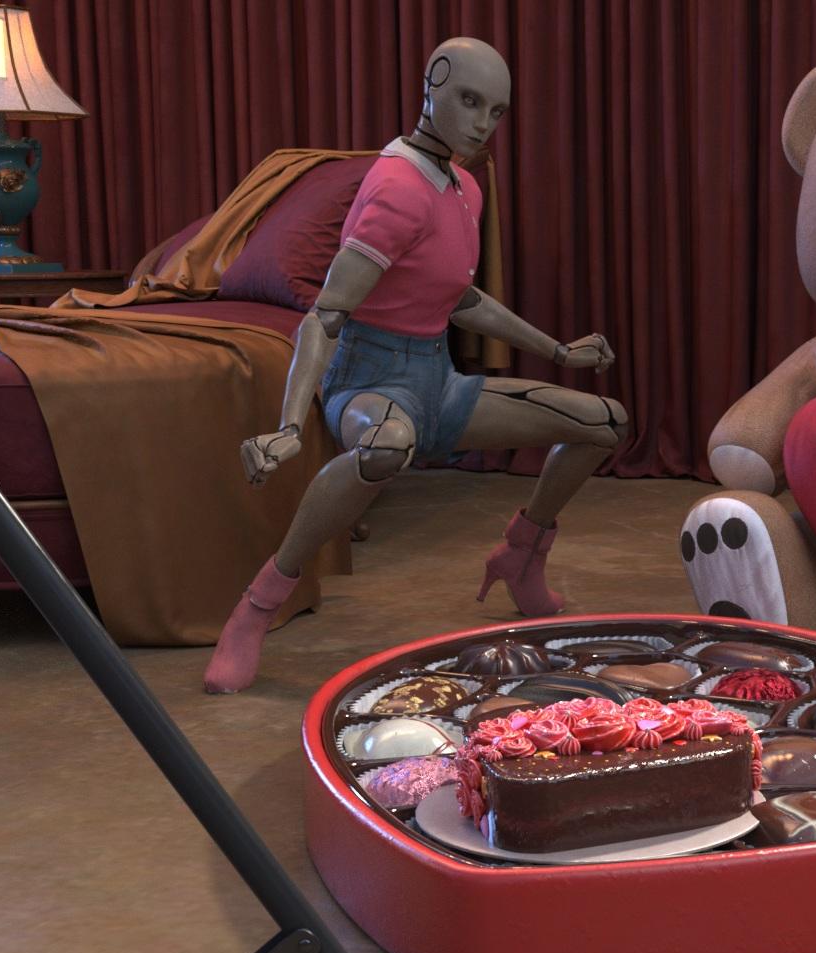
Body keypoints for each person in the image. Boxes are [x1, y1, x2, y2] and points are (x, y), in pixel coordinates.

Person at [204, 36, 625, 694]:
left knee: (604, 421)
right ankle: (259, 603)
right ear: (433, 84)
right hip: (369, 382)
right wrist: (290, 427)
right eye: (469, 101)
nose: (482, 124)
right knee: (385, 448)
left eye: (496, 111)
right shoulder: (398, 187)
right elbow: (326, 315)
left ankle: (521, 553)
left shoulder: (462, 186)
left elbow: (458, 298)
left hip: (436, 380)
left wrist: (557, 351)